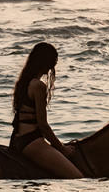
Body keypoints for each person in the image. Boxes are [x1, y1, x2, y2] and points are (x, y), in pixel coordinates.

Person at [9, 42, 83, 178]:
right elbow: (43, 125)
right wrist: (62, 149)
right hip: (31, 141)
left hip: (17, 139)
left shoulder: (23, 82)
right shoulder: (38, 86)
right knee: (77, 177)